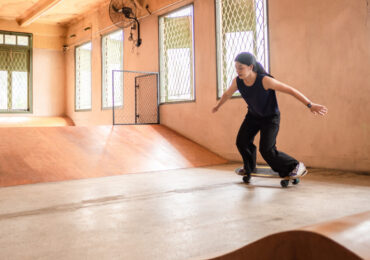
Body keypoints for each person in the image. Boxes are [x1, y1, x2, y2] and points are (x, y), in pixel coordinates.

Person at [212, 52, 328, 178]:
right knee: (242, 142)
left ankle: (295, 165)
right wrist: (218, 106)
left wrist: (310, 105)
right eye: (236, 68)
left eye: (241, 67)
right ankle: (249, 167)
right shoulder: (238, 82)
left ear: (250, 67)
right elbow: (227, 94)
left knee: (267, 150)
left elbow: (291, 90)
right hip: (253, 116)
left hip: (270, 118)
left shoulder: (265, 80)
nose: (237, 71)